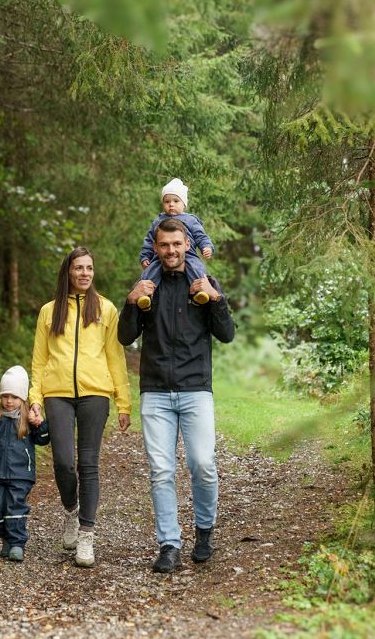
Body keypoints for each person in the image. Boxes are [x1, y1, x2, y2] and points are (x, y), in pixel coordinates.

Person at [118, 217, 235, 573]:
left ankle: (204, 532)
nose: (170, 251)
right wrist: (130, 301)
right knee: (161, 471)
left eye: (176, 245)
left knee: (203, 464)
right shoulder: (146, 285)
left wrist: (215, 299)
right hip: (155, 391)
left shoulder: (202, 283)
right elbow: (125, 337)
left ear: (187, 245)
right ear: (155, 247)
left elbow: (227, 334)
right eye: (164, 245)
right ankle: (169, 544)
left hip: (195, 388)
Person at [29, 246, 131, 568]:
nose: (84, 273)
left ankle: (86, 534)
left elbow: (116, 357)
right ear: (68, 272)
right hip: (56, 392)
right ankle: (71, 511)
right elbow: (39, 360)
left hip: (95, 394)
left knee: (89, 464)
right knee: (63, 463)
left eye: (89, 268)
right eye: (78, 268)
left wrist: (123, 402)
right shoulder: (49, 311)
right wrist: (34, 398)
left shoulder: (106, 309)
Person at [0, 366, 51, 562]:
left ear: (22, 398)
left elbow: (43, 440)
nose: (9, 401)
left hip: (21, 474)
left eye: (14, 397)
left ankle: (16, 544)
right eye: (5, 396)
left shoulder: (28, 419)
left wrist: (40, 423)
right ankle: (5, 537)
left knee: (15, 507)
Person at [136, 178, 215, 309]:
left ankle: (199, 292)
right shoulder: (158, 221)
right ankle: (147, 297)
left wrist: (206, 247)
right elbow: (150, 240)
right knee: (150, 272)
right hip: (160, 257)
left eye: (176, 201)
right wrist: (145, 256)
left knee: (196, 268)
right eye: (167, 201)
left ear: (184, 204)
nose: (171, 204)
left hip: (187, 254)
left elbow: (201, 236)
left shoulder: (190, 220)